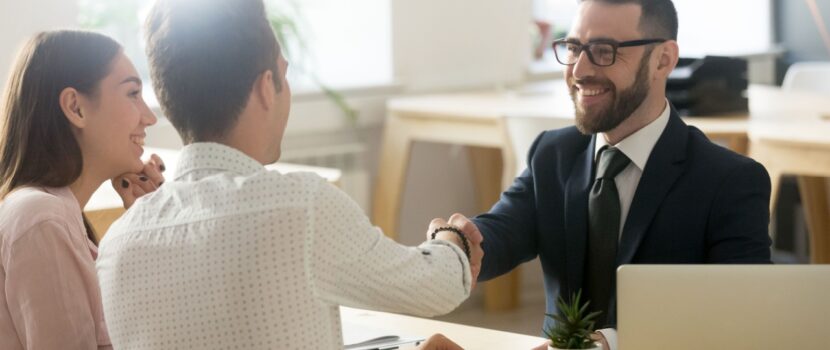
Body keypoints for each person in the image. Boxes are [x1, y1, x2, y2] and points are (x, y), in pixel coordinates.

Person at [95, 0, 482, 349]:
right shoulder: (302, 208)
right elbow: (437, 286)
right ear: (267, 87)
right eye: (284, 74)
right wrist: (451, 239)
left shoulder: (116, 245)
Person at [440, 0, 772, 349]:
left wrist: (606, 343)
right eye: (572, 48)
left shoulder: (730, 182)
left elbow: (740, 317)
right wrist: (458, 242)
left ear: (663, 60)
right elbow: (500, 233)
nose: (579, 70)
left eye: (604, 51)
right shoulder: (553, 154)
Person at [0, 30, 163, 350]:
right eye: (132, 93)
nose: (150, 117)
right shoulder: (42, 218)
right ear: (76, 107)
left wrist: (142, 225)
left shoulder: (54, 216)